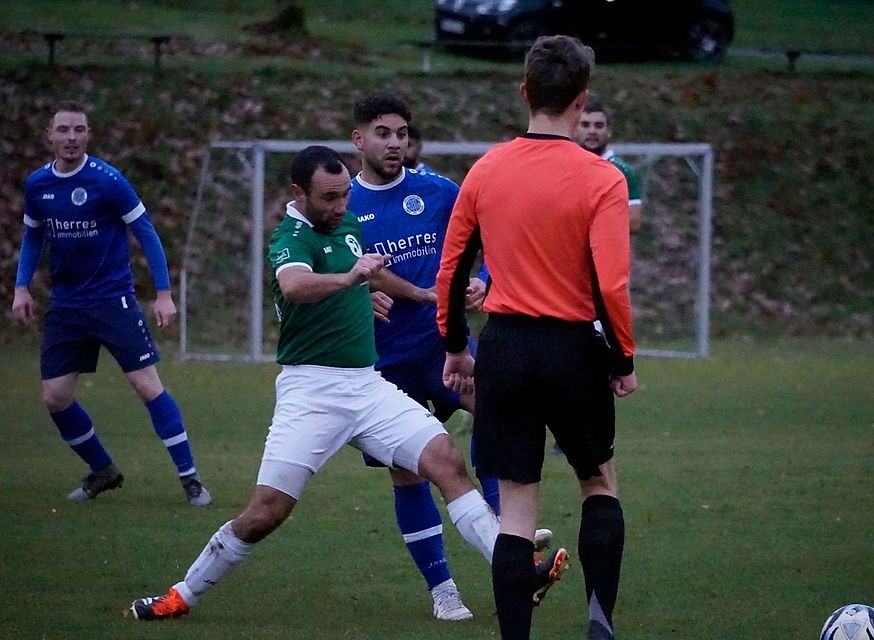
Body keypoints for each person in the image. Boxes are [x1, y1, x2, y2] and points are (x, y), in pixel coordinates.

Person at [129, 145, 563, 622]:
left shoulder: (345, 224)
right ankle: (181, 595)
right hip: (312, 392)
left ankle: (517, 575)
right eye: (330, 198)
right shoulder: (291, 238)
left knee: (445, 461)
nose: (341, 206)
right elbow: (296, 285)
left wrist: (393, 291)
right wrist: (350, 280)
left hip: (366, 385)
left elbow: (367, 270)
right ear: (299, 193)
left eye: (343, 196)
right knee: (266, 512)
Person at [436, 35, 638, 640]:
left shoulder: (485, 169)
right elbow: (612, 282)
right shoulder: (601, 177)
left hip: (506, 348)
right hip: (574, 349)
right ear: (581, 101)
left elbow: (453, 270)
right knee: (598, 480)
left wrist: (454, 347)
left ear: (525, 92)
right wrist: (621, 357)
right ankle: (599, 626)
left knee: (518, 506)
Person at [350, 92, 553, 621]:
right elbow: (323, 273)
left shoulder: (439, 191)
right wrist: (355, 294)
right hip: (381, 366)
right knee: (410, 474)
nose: (394, 143)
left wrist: (482, 281)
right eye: (382, 133)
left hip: (446, 347)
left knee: (499, 415)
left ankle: (505, 530)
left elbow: (494, 241)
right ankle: (443, 590)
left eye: (401, 133)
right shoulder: (340, 204)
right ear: (359, 140)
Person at [11, 101, 212, 507]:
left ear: (88, 135)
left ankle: (191, 479)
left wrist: (163, 294)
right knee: (55, 398)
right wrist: (21, 287)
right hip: (67, 307)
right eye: (63, 130)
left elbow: (146, 232)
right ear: (49, 136)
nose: (71, 138)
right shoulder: (38, 185)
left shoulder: (108, 180)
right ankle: (103, 470)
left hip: (112, 301)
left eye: (79, 130)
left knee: (147, 386)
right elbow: (34, 236)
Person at [573, 97, 644, 234]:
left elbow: (633, 222)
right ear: (574, 129)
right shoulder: (564, 166)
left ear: (609, 131)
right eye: (585, 125)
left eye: (599, 125)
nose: (592, 131)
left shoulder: (622, 171)